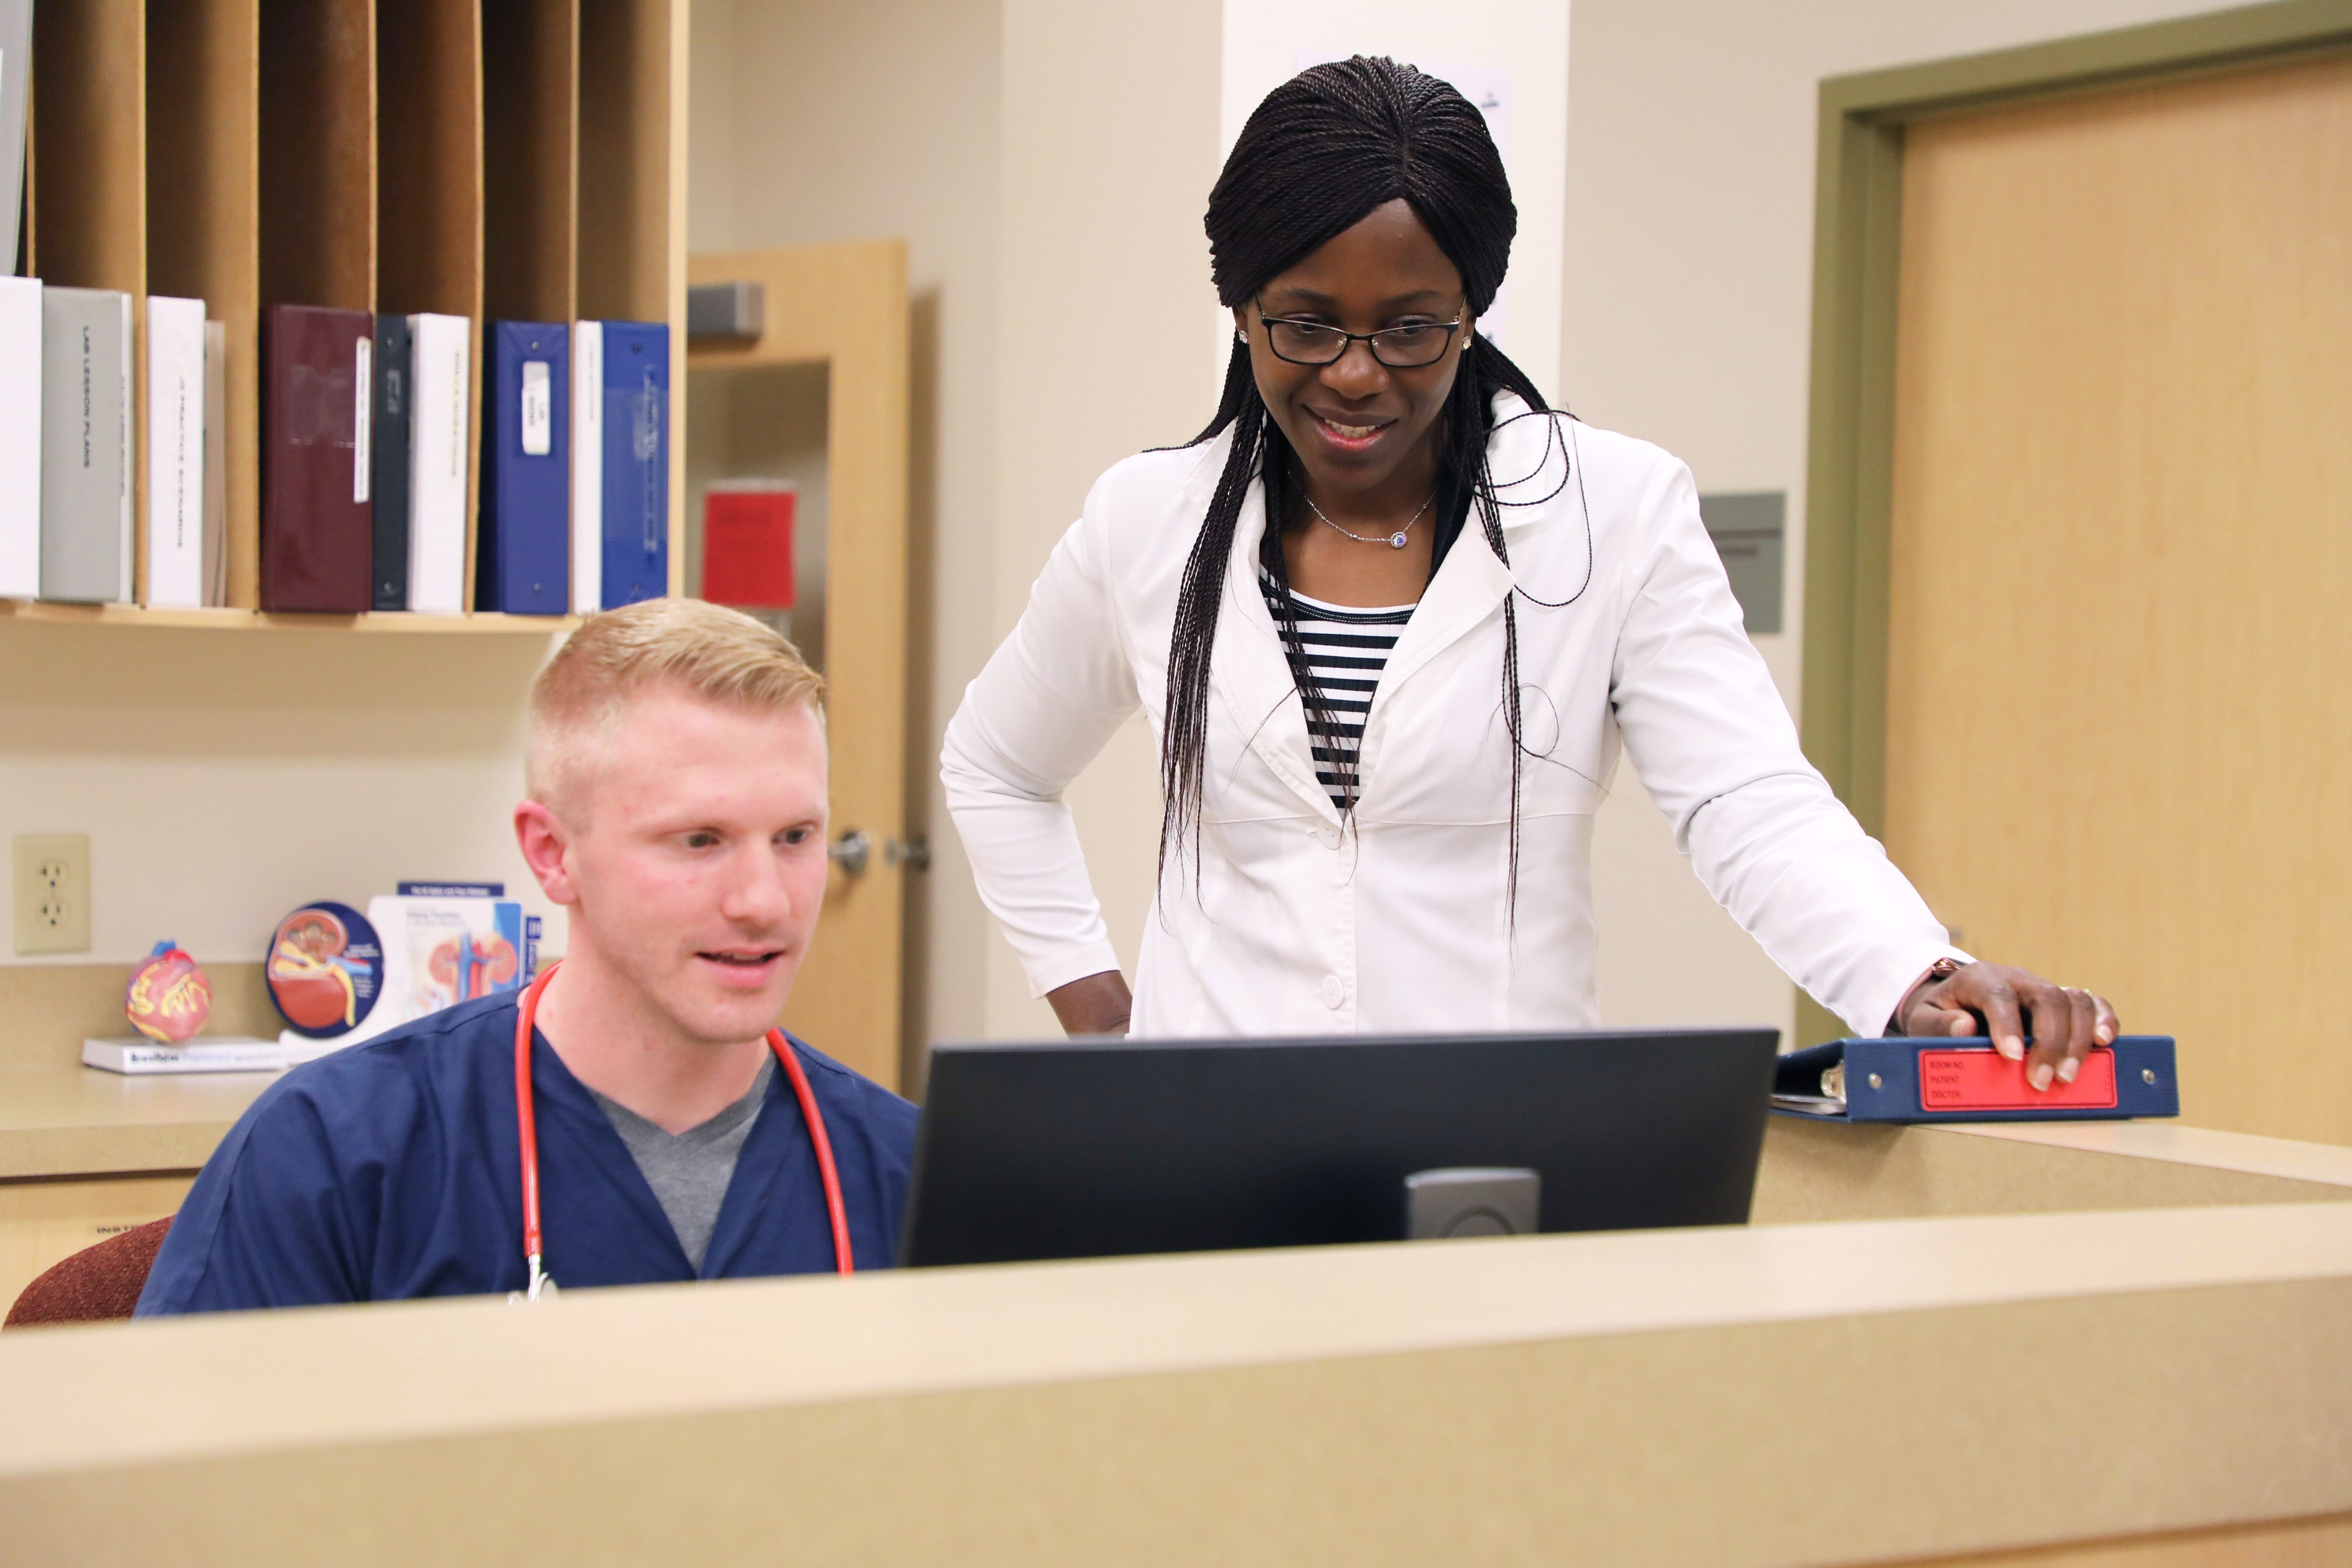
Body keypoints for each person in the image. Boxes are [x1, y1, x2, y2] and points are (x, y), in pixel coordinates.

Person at [943, 57, 2118, 1087]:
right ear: (1240, 310)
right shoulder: (1146, 520)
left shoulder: (1610, 510)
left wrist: (1910, 969)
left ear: (1470, 312)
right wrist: (1097, 1015)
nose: (1355, 377)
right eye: (1304, 324)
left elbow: (1742, 796)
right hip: (1208, 1161)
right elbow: (995, 763)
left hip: (1496, 1157)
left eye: (1409, 328)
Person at [139, 600, 914, 1314]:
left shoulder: (902, 1173)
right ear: (551, 853)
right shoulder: (333, 1155)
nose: (765, 902)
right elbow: (180, 1457)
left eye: (795, 838)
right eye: (699, 841)